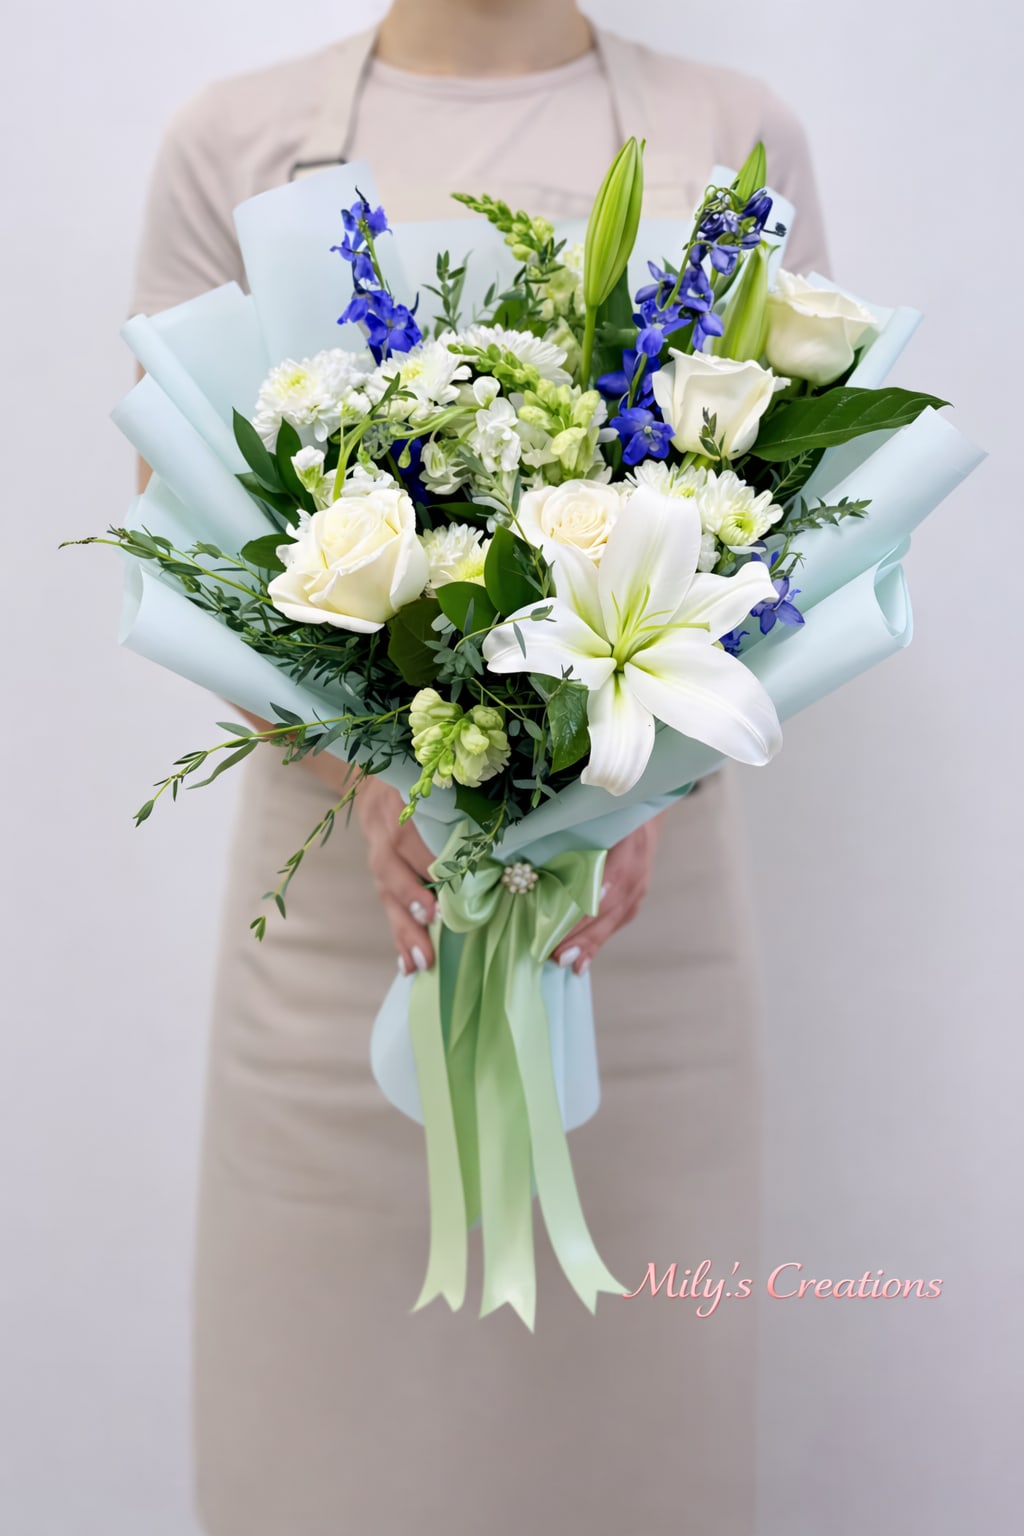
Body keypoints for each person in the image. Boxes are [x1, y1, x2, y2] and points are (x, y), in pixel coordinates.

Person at [130, 3, 830, 1532]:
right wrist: (376, 776)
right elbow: (190, 548)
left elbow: (797, 527)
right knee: (320, 1451)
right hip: (332, 950)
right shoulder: (233, 143)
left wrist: (635, 786)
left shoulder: (732, 133)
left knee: (638, 1448)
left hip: (644, 950)